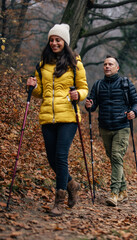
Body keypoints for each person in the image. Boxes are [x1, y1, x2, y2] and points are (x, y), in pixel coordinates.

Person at [26, 23, 88, 216]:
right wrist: (32, 86)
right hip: (47, 117)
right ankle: (71, 184)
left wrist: (78, 94)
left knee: (61, 156)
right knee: (52, 159)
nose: (54, 43)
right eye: (52, 40)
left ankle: (59, 201)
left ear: (65, 42)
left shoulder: (75, 64)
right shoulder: (42, 64)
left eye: (58, 40)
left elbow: (84, 88)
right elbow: (39, 93)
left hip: (68, 117)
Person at [85, 55, 137, 207]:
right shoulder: (97, 85)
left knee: (116, 156)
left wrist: (133, 112)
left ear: (117, 68)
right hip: (104, 127)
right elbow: (92, 105)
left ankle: (114, 193)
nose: (107, 66)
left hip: (121, 126)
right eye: (105, 64)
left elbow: (136, 102)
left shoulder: (125, 83)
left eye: (110, 64)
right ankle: (123, 192)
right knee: (114, 158)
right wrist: (88, 105)